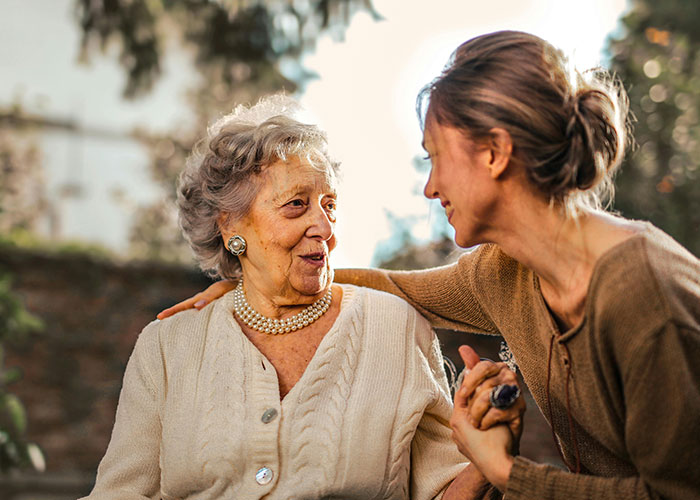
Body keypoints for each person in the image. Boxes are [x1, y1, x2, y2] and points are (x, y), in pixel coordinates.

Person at [160, 31, 700, 499]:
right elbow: (397, 287)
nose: (430, 186)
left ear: (494, 152)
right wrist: (257, 281)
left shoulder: (644, 295)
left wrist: (503, 470)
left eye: (435, 156)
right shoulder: (504, 273)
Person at [81, 95, 502, 499]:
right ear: (231, 228)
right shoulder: (167, 345)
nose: (324, 227)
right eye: (297, 205)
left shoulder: (396, 327)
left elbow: (443, 490)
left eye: (330, 205)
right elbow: (121, 492)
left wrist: (487, 461)